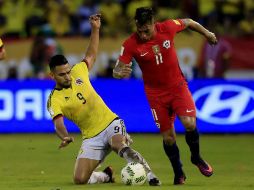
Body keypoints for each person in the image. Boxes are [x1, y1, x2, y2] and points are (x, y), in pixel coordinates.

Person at [47, 14, 161, 186]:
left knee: (118, 145)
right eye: (62, 74)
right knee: (79, 179)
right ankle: (106, 176)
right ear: (52, 75)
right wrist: (65, 137)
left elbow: (91, 55)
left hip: (110, 123)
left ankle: (150, 174)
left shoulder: (79, 71)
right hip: (91, 137)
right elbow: (58, 123)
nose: (68, 76)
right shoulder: (54, 99)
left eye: (68, 71)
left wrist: (95, 29)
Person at [113, 7, 217, 185]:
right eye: (140, 31)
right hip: (155, 95)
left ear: (154, 23)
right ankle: (178, 172)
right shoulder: (130, 44)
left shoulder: (168, 27)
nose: (143, 35)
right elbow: (117, 70)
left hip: (177, 87)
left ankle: (196, 157)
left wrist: (207, 34)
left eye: (147, 30)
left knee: (189, 123)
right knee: (169, 137)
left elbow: (189, 22)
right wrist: (118, 73)